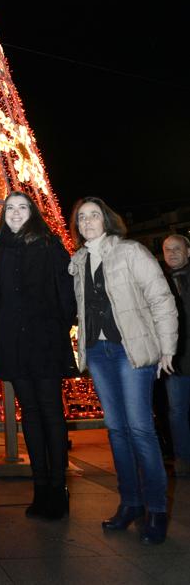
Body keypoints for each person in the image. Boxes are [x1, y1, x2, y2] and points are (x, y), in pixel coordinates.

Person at [69, 197, 178, 545]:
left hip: (130, 350)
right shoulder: (79, 260)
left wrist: (167, 347)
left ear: (107, 220)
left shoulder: (130, 252)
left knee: (140, 428)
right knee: (116, 430)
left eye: (93, 216)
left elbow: (161, 297)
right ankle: (130, 503)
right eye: (81, 218)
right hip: (98, 352)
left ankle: (157, 510)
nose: (87, 222)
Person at [0, 192, 77, 519]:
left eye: (21, 207)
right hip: (14, 344)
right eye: (9, 208)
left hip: (45, 341)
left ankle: (58, 486)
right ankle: (40, 487)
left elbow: (66, 292)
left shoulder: (48, 244)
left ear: (32, 213)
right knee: (29, 412)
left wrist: (56, 326)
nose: (14, 213)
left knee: (51, 411)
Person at [162, 235, 190, 477]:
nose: (172, 254)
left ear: (188, 251)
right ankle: (183, 459)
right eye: (167, 250)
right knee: (177, 411)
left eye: (177, 249)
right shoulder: (160, 281)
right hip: (176, 361)